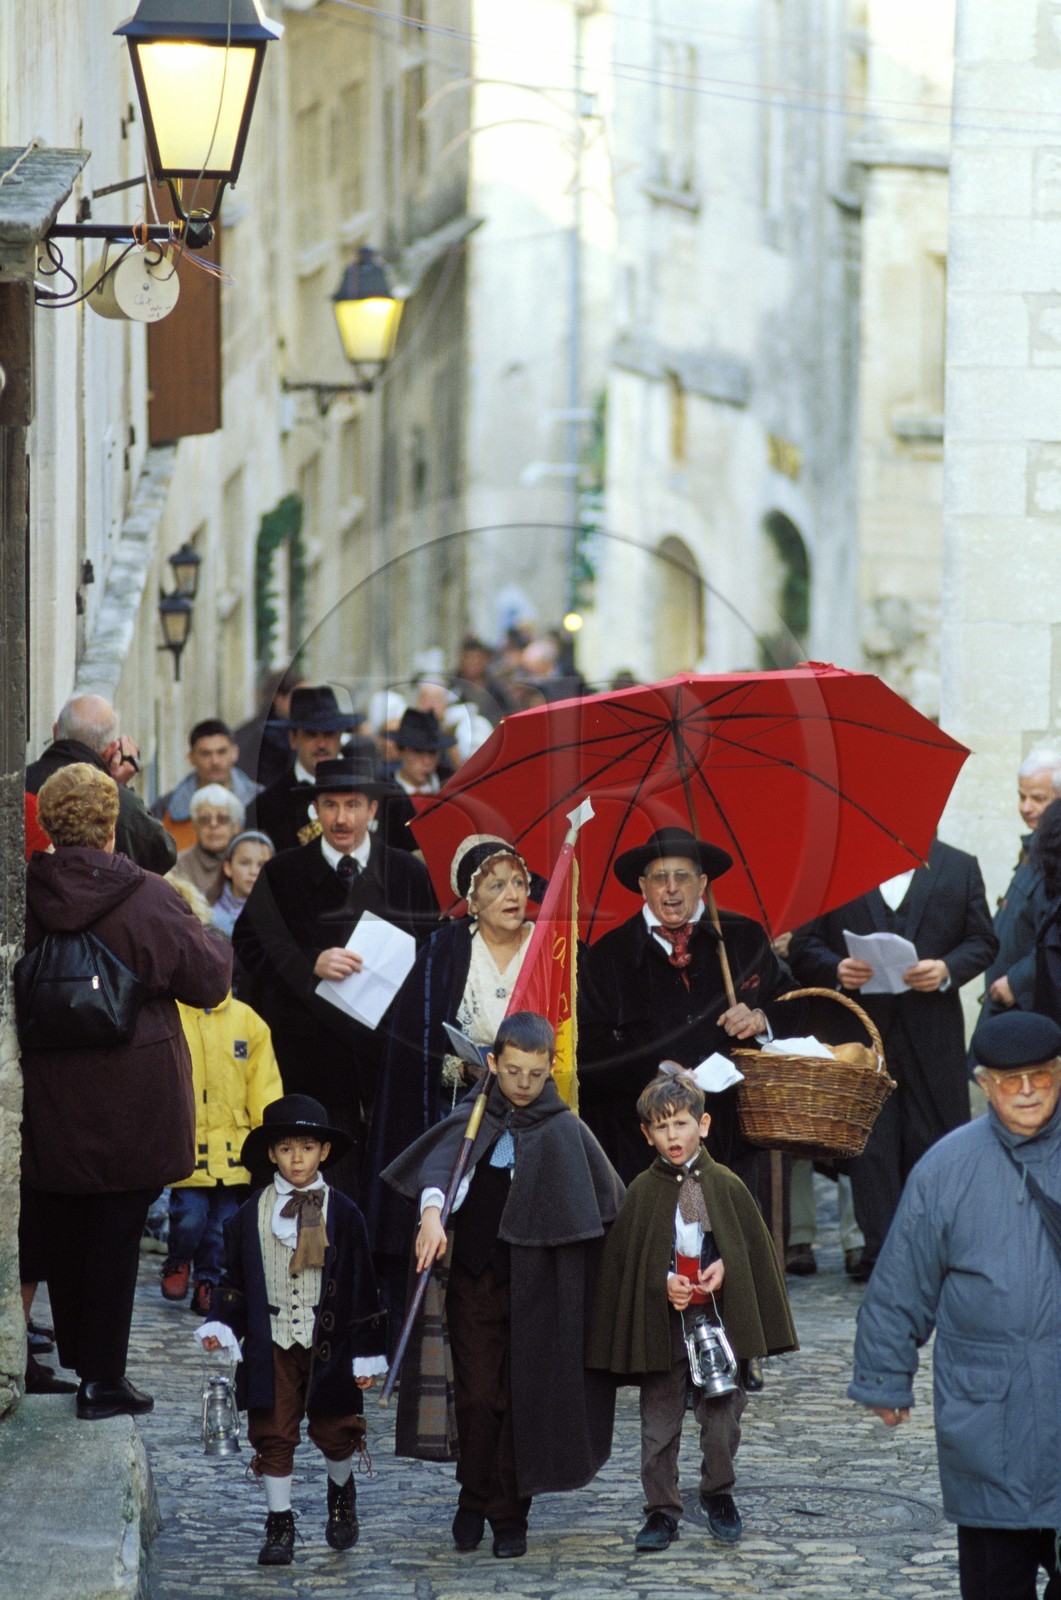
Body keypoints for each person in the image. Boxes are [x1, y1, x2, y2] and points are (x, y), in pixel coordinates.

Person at [21, 763, 231, 1418]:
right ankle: (102, 1378)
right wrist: (215, 938)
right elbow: (208, 982)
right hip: (133, 1092)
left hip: (53, 1093)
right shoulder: (148, 896)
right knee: (115, 1235)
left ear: (50, 827)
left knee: (65, 1229)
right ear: (113, 824)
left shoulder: (25, 893)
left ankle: (80, 1361)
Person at [382, 1012, 624, 1560]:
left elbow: (611, 1205)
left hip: (539, 1287)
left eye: (535, 1074)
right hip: (476, 1279)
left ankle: (511, 1515)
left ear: (551, 1069)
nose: (522, 1083)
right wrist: (430, 1214)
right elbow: (441, 1171)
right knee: (479, 1397)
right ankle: (473, 1497)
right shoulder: (474, 1115)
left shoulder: (564, 1127)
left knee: (523, 1401)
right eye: (512, 1070)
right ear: (492, 1064)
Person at [850, 1010, 1061, 1600]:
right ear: (983, 1082)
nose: (1025, 1091)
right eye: (1009, 1079)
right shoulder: (946, 1168)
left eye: (1040, 1077)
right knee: (997, 1585)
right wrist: (885, 1376)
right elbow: (902, 1281)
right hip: (989, 1419)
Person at [587, 1068, 797, 1552]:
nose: (672, 1136)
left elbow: (744, 1248)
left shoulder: (723, 1185)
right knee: (658, 1425)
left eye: (680, 1124)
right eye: (661, 1128)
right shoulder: (642, 1190)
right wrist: (661, 1282)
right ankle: (661, 1510)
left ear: (702, 1125)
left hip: (714, 1325)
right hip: (663, 1329)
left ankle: (718, 1493)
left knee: (722, 1418)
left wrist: (724, 1267)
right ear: (647, 1135)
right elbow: (629, 1260)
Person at [789, 837, 998, 1278]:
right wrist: (836, 968)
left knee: (938, 1142)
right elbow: (805, 945)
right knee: (871, 1150)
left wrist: (947, 970)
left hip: (934, 1037)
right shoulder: (836, 865)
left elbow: (983, 940)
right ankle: (882, 1256)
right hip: (862, 1036)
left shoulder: (960, 866)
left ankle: (941, 1252)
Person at [197, 1094, 387, 1566]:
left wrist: (366, 1352)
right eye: (286, 1148)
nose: (297, 1158)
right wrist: (222, 1321)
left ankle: (341, 1493)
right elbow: (235, 1283)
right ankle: (279, 1521)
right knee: (273, 1431)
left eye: (307, 1146)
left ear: (324, 1151)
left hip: (331, 1342)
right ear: (270, 1154)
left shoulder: (345, 1214)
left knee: (336, 1426)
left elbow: (364, 1286)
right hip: (273, 1340)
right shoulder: (247, 1217)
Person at [233, 755, 437, 1194]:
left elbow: (434, 954)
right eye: (330, 805)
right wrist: (311, 963)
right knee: (321, 1186)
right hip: (312, 1062)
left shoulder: (407, 873)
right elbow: (248, 944)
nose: (341, 819)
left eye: (353, 805)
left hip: (386, 1056)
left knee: (387, 1183)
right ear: (315, 809)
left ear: (373, 810)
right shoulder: (282, 873)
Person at [361, 837, 546, 1315]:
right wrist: (463, 1067)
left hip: (538, 1111)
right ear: (471, 898)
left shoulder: (552, 948)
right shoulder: (444, 951)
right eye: (496, 885)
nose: (512, 895)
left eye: (520, 883)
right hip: (466, 1112)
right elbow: (415, 1050)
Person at [578, 826, 798, 1193]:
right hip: (643, 1149)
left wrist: (761, 1020)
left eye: (682, 876)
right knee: (660, 1248)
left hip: (734, 1141)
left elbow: (796, 1005)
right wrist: (657, 1072)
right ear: (642, 885)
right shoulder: (607, 956)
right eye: (660, 878)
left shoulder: (743, 937)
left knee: (732, 1245)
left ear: (703, 882)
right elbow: (588, 1047)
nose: (671, 888)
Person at [161, 979, 283, 1318]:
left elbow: (264, 1084)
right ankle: (179, 1259)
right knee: (189, 1217)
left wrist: (269, 1134)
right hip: (189, 1151)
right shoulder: (175, 1017)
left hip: (234, 1152)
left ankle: (208, 1281)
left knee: (222, 1226)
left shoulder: (248, 1021)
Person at [26, 693, 176, 874]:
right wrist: (119, 789)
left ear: (55, 731)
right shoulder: (120, 802)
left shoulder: (17, 784)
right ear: (111, 750)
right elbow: (164, 853)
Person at [978, 747, 1061, 1021]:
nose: (1026, 808)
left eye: (1038, 799)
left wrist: (1018, 982)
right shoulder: (1034, 847)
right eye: (1021, 796)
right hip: (1004, 1006)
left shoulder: (1055, 856)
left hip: (1029, 1009)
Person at [248, 685, 363, 854]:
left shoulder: (372, 789)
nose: (322, 744)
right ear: (293, 739)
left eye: (329, 733)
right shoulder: (267, 806)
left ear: (340, 736)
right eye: (311, 734)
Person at [152, 719, 261, 852]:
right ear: (191, 757)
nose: (215, 761)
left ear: (235, 753)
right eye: (206, 753)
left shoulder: (261, 799)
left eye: (221, 752)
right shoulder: (165, 809)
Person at [234, 667, 308, 791]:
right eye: (299, 696)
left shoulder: (300, 729)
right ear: (278, 698)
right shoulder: (255, 735)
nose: (306, 703)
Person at [173, 784, 245, 904]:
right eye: (204, 819)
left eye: (222, 819)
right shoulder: (178, 867)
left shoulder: (249, 861)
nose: (213, 825)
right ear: (195, 826)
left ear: (236, 826)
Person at [212, 830, 275, 939]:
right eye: (245, 863)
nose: (254, 872)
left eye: (262, 865)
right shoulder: (205, 911)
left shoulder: (281, 916)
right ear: (228, 868)